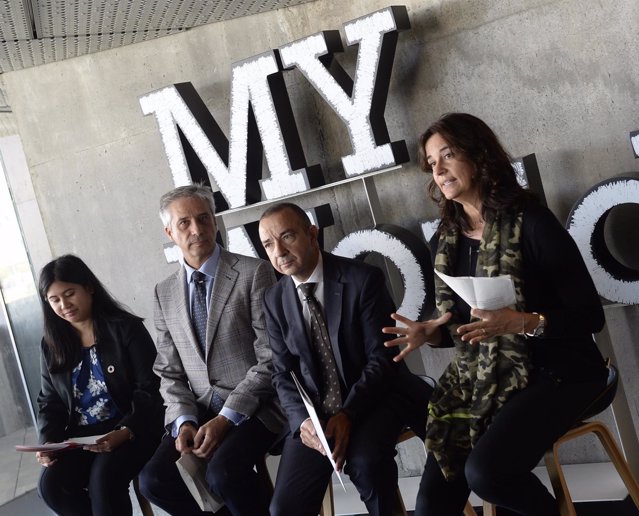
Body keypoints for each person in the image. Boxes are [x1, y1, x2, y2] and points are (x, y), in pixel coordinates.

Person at [382, 113, 609, 516]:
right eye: (432, 163)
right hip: (485, 377)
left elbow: (590, 316)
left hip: (561, 369)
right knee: (432, 505)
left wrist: (523, 322)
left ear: (479, 155)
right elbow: (461, 329)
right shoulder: (445, 239)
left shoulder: (533, 223)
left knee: (487, 474)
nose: (439, 169)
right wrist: (432, 332)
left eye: (448, 155)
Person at [259, 202, 432, 516]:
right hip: (317, 414)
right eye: (269, 244)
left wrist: (348, 413)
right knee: (284, 507)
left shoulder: (363, 279)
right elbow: (282, 374)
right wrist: (303, 421)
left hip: (375, 398)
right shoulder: (274, 299)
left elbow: (383, 358)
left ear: (312, 235)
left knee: (366, 465)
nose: (279, 251)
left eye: (287, 237)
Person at [138, 184, 285, 516]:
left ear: (214, 221)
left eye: (203, 219)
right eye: (184, 223)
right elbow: (168, 371)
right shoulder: (165, 293)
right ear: (169, 232)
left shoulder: (254, 273)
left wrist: (226, 418)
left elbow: (270, 357)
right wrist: (184, 421)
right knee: (154, 479)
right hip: (200, 409)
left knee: (224, 473)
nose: (196, 230)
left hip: (257, 405)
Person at [35, 254, 164, 516]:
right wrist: (48, 441)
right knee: (51, 486)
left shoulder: (126, 329)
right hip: (81, 438)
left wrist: (126, 430)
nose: (64, 305)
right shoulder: (51, 345)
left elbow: (149, 391)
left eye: (70, 293)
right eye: (55, 300)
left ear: (89, 287)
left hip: (130, 430)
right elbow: (50, 402)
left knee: (103, 482)